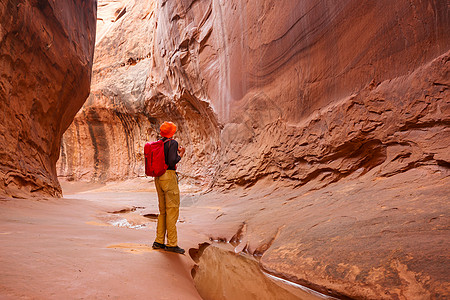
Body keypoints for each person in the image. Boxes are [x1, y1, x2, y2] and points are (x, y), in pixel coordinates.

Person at [152, 121, 186, 254]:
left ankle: (159, 241)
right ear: (172, 132)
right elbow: (172, 161)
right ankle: (172, 243)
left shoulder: (159, 143)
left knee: (162, 211)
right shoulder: (173, 143)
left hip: (158, 178)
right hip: (169, 176)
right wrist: (181, 154)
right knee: (172, 210)